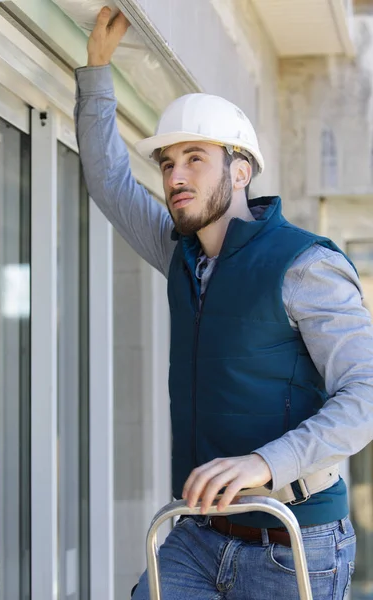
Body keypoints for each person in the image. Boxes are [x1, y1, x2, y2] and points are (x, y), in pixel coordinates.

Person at [75, 7, 373, 599]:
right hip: (196, 533)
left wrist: (265, 463)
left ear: (239, 172)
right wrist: (97, 72)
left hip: (293, 545)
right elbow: (108, 181)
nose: (175, 176)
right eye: (167, 163)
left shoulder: (305, 264)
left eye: (194, 159)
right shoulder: (181, 255)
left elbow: (365, 393)